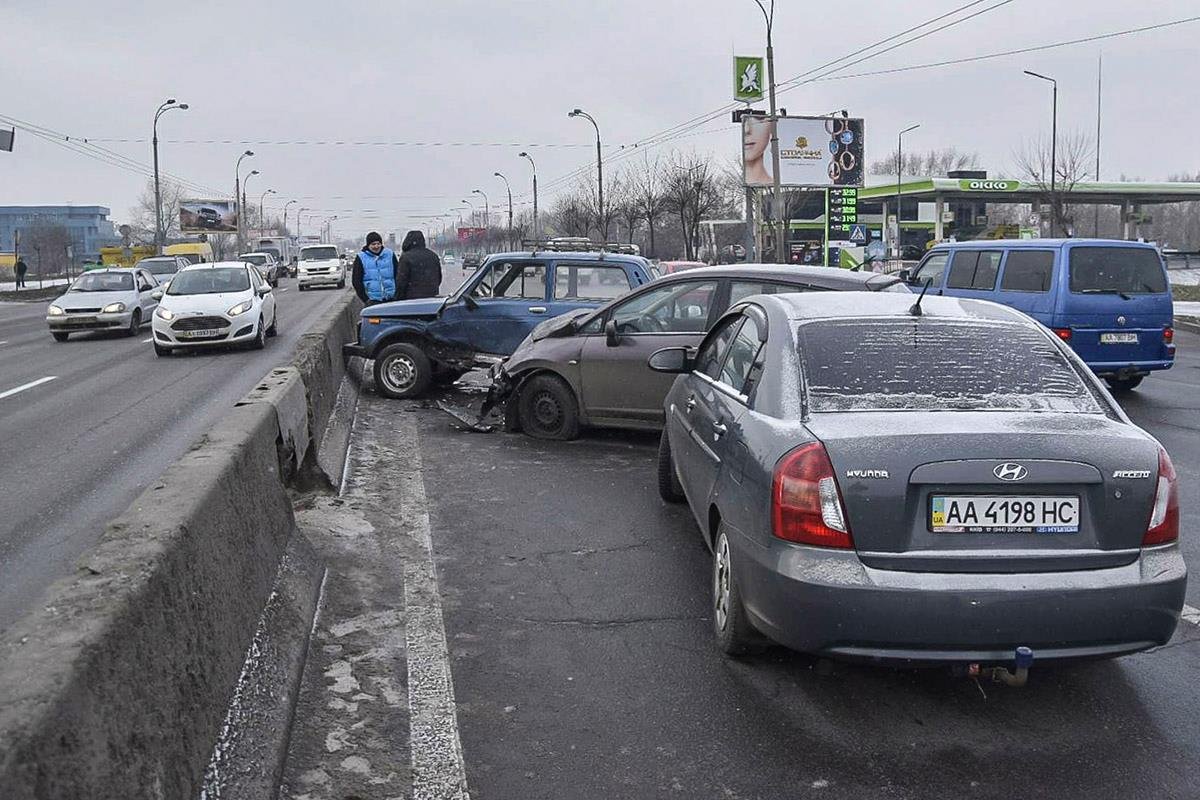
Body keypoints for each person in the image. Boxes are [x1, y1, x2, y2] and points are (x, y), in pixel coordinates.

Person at [351, 232, 400, 306]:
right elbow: (356, 281)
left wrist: (398, 294)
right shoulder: (361, 258)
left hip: (391, 298)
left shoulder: (390, 254)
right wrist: (366, 299)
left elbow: (398, 275)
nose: (376, 246)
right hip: (372, 300)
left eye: (378, 244)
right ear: (368, 245)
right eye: (373, 244)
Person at [397, 230, 443, 299]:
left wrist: (398, 298)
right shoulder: (433, 256)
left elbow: (401, 282)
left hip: (411, 299)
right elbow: (439, 278)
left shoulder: (406, 258)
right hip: (432, 298)